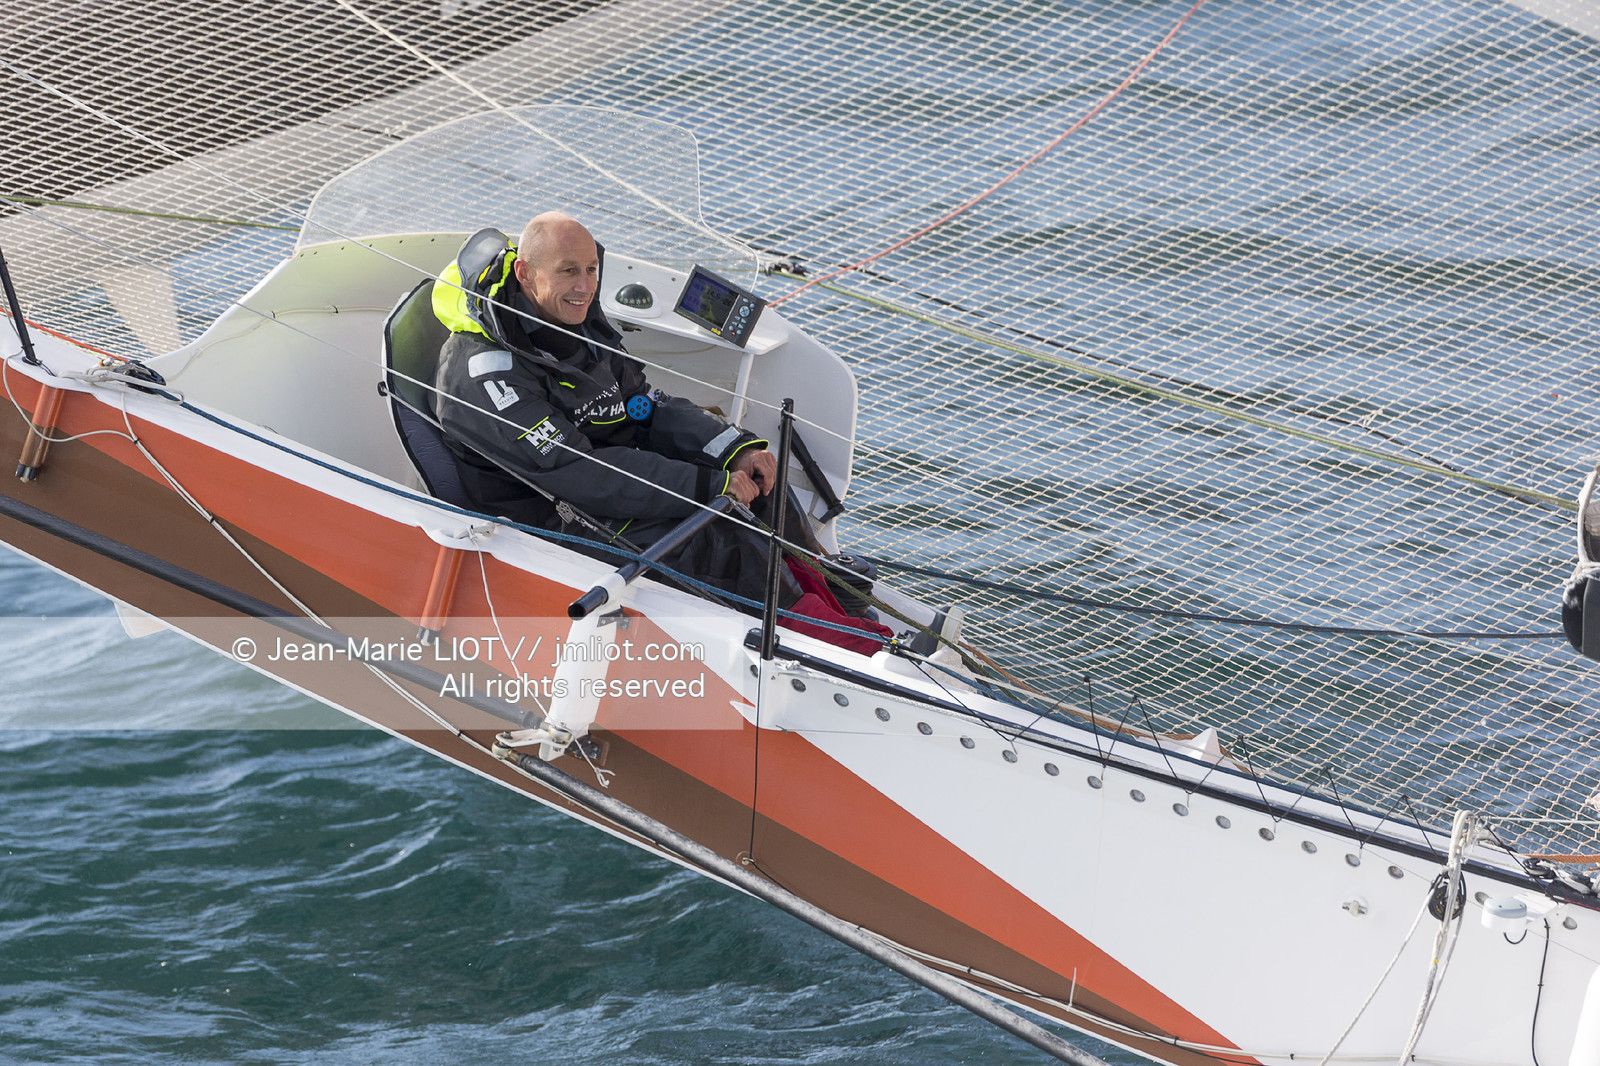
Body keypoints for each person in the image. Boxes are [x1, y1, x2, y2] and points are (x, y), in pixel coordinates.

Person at [431, 212, 890, 653]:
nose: (585, 286)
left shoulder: (574, 319)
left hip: (607, 482)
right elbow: (580, 472)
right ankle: (834, 642)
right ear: (525, 272)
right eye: (569, 270)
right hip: (551, 518)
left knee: (764, 485)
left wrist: (731, 451)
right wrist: (708, 487)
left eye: (591, 269)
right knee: (723, 543)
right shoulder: (483, 375)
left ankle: (824, 590)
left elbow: (641, 405)